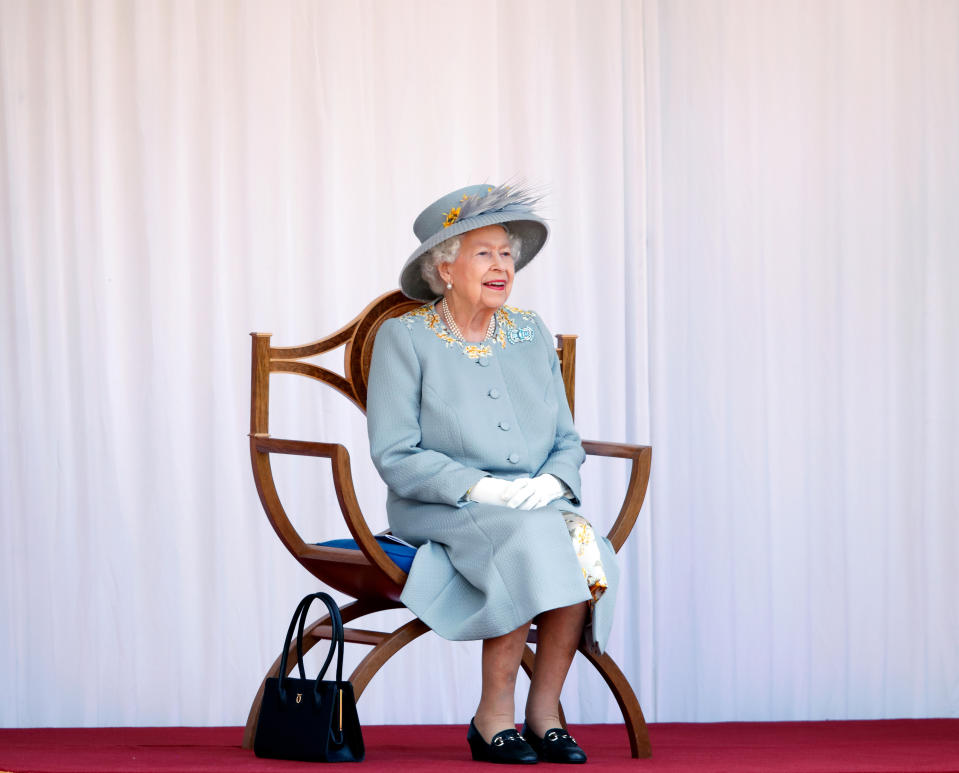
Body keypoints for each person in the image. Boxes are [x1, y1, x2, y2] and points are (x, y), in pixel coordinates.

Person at [366, 183, 619, 765]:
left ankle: (545, 713)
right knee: (532, 540)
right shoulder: (403, 338)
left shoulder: (530, 333)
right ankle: (492, 717)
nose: (502, 265)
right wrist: (481, 487)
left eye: (507, 253)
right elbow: (395, 453)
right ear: (445, 268)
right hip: (440, 505)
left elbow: (565, 438)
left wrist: (552, 484)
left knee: (579, 540)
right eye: (484, 253)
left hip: (533, 502)